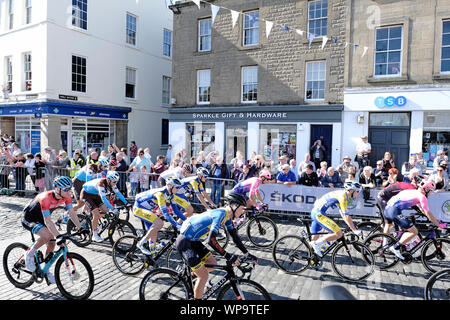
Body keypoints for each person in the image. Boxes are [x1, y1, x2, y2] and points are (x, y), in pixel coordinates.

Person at [175, 192, 258, 300]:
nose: (243, 212)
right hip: (184, 242)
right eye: (242, 208)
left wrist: (247, 254)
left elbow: (235, 237)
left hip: (194, 240)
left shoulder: (227, 217)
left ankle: (190, 277)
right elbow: (211, 240)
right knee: (203, 276)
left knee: (212, 263)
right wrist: (228, 256)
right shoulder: (221, 214)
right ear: (234, 206)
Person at [21, 176, 87, 282]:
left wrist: (80, 228)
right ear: (57, 189)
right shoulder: (45, 198)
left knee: (51, 243)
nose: (69, 191)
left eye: (70, 188)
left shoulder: (66, 196)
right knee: (48, 236)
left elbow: (71, 213)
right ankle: (28, 254)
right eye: (66, 189)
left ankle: (46, 270)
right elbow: (48, 221)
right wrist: (58, 236)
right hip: (29, 218)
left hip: (42, 218)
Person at [384, 178, 447, 260]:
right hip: (394, 211)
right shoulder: (422, 197)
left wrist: (434, 220)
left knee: (408, 228)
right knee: (414, 231)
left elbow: (423, 210)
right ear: (426, 189)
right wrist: (438, 224)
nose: (431, 193)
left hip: (388, 209)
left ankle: (404, 249)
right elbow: (427, 212)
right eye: (431, 190)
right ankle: (395, 247)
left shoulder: (414, 191)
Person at [133, 177, 188, 255]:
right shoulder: (160, 194)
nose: (178, 189)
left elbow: (176, 211)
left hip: (148, 210)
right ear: (170, 186)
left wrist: (187, 221)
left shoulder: (171, 195)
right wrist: (176, 224)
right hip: (139, 209)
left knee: (154, 234)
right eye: (177, 187)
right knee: (159, 223)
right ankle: (141, 243)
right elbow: (165, 214)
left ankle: (151, 257)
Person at [309, 181, 363, 257]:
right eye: (357, 191)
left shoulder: (342, 194)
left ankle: (311, 257)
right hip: (319, 214)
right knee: (338, 233)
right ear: (351, 191)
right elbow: (346, 215)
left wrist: (350, 225)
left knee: (315, 237)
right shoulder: (343, 197)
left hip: (316, 212)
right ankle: (317, 245)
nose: (358, 193)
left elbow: (343, 214)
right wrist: (354, 230)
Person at [80, 171, 129, 242]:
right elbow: (104, 199)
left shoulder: (111, 183)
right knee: (96, 214)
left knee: (105, 210)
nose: (115, 183)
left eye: (116, 182)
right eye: (114, 182)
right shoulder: (101, 184)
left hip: (95, 194)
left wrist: (126, 203)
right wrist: (113, 208)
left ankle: (94, 221)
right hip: (86, 194)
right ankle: (94, 235)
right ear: (109, 180)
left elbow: (118, 193)